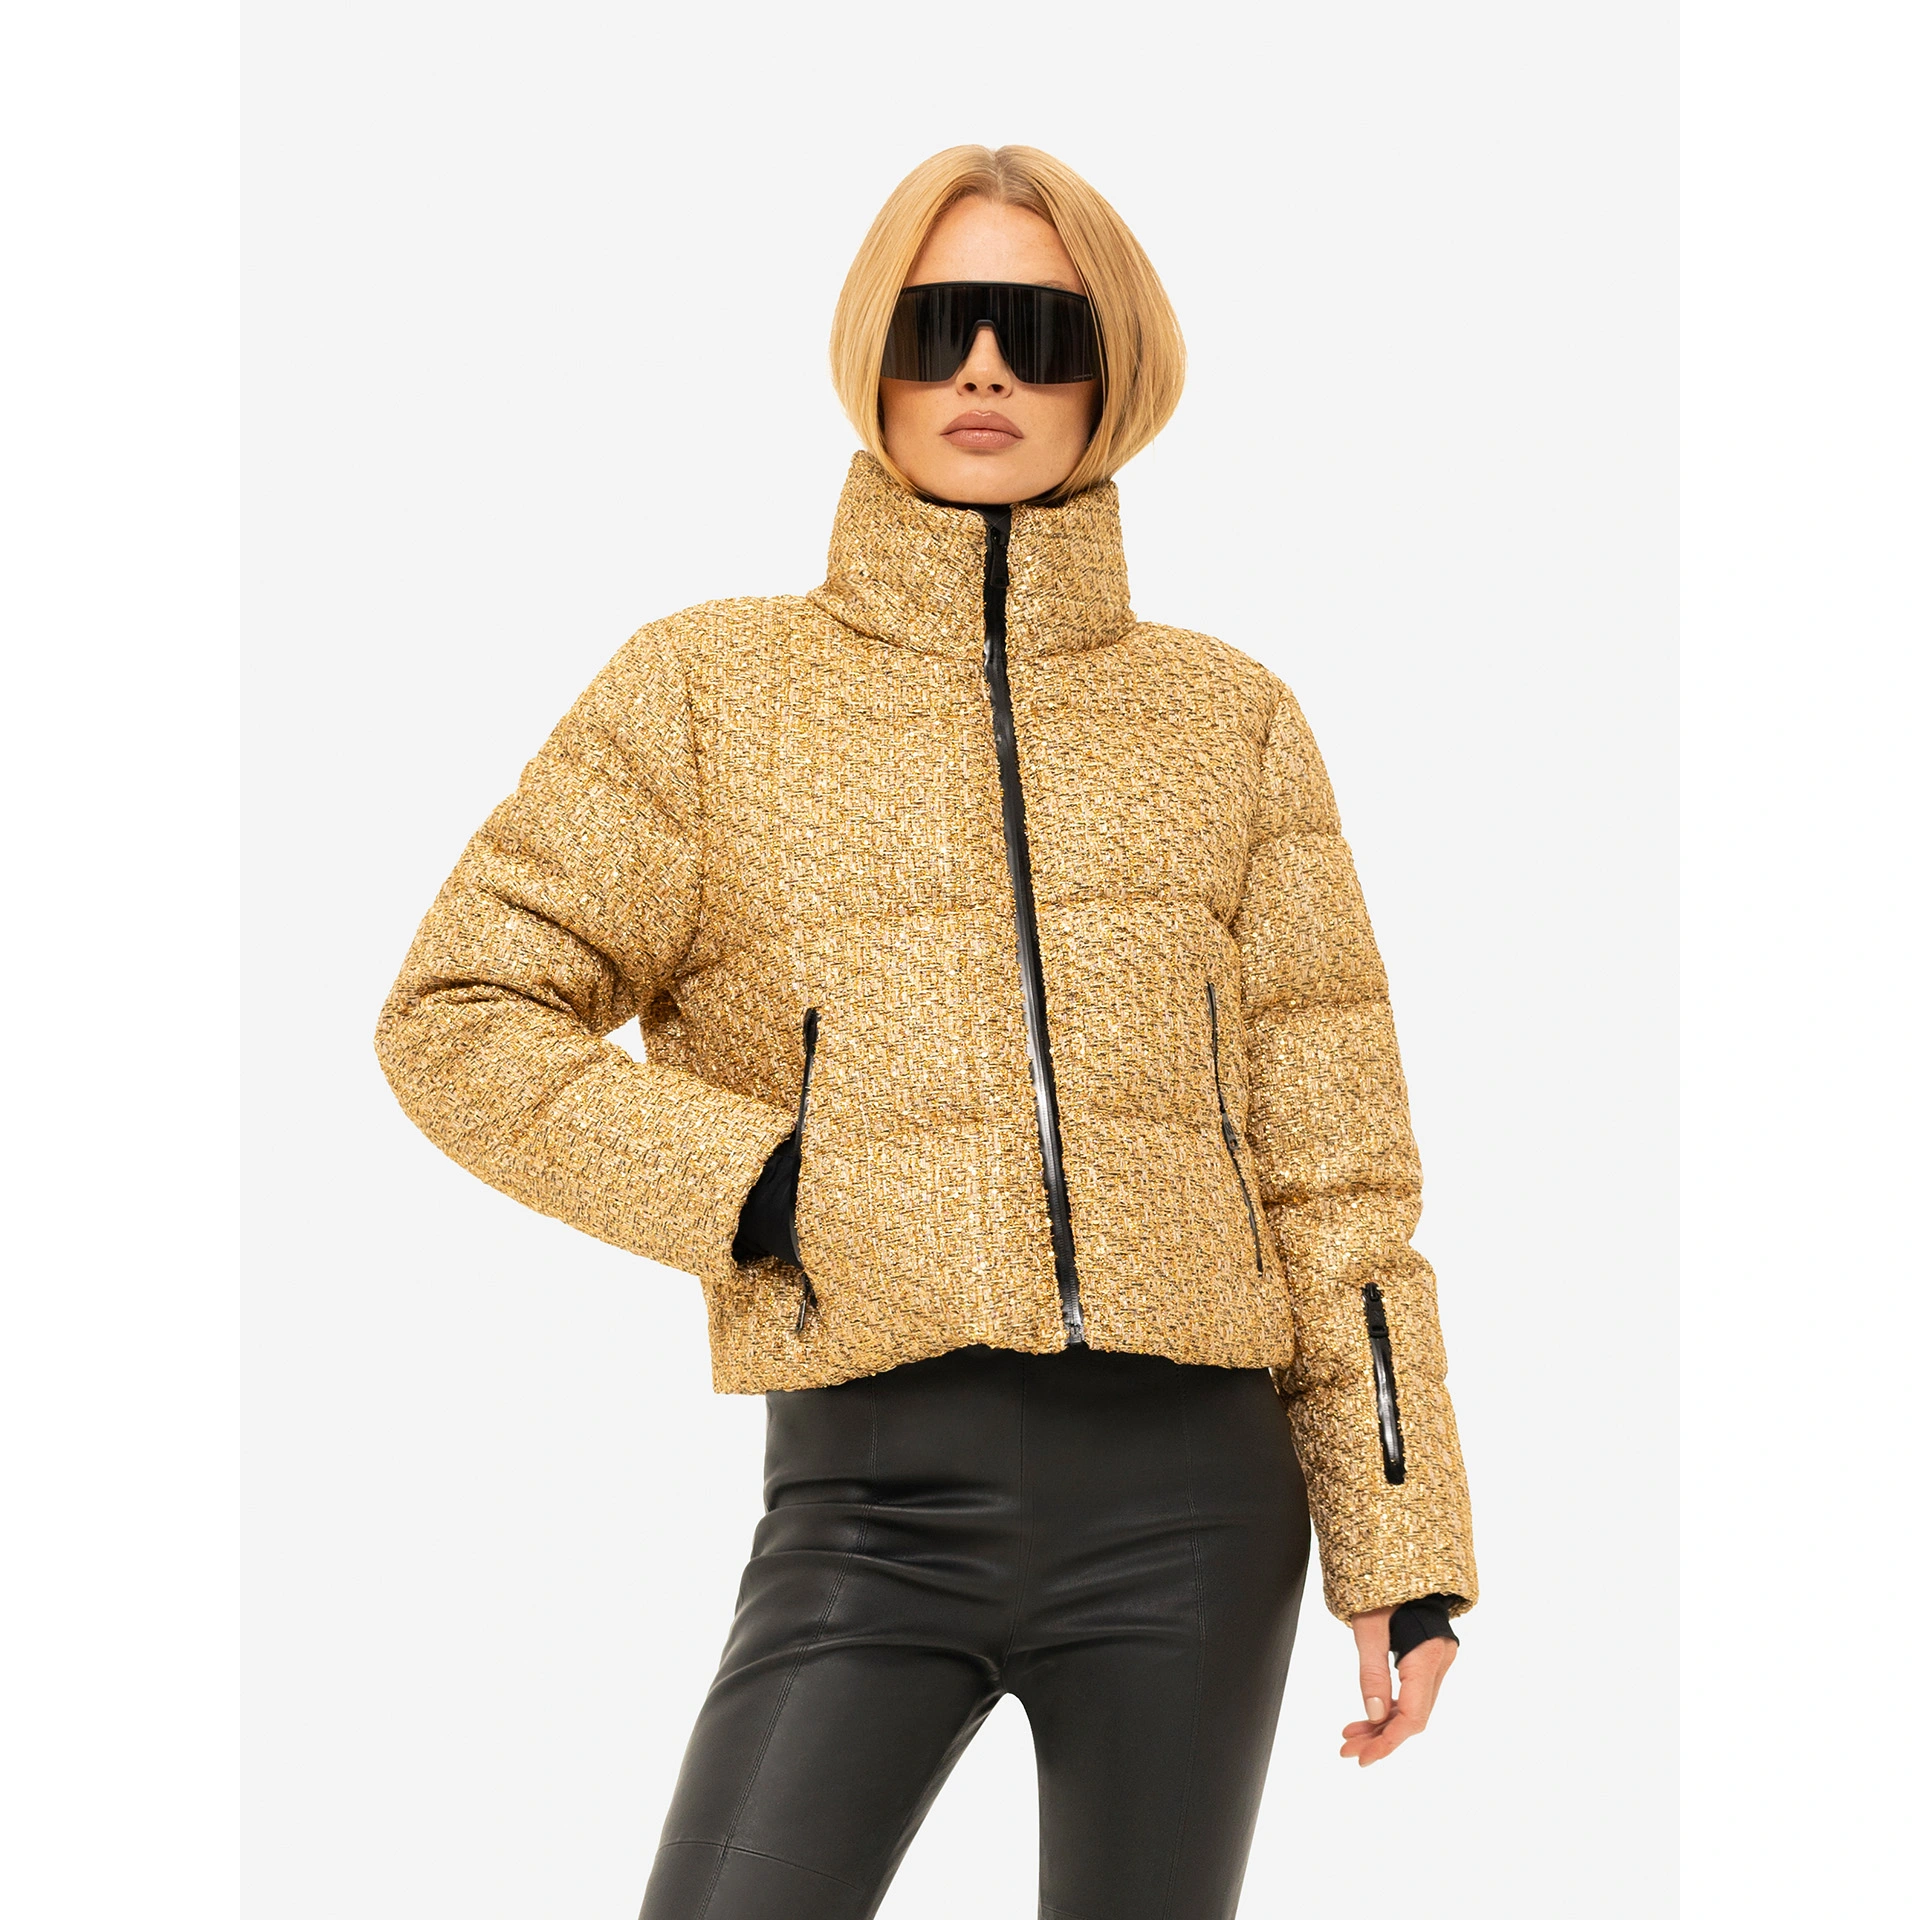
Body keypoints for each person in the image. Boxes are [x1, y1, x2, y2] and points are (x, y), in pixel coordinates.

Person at [376, 143, 1477, 1920]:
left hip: (1200, 1515)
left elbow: (1336, 1173)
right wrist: (765, 1185)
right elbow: (459, 1014)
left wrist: (1402, 1541)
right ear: (871, 352)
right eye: (937, 322)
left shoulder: (1231, 720)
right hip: (872, 1500)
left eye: (1038, 332)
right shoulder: (708, 688)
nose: (982, 369)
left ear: (1113, 369)